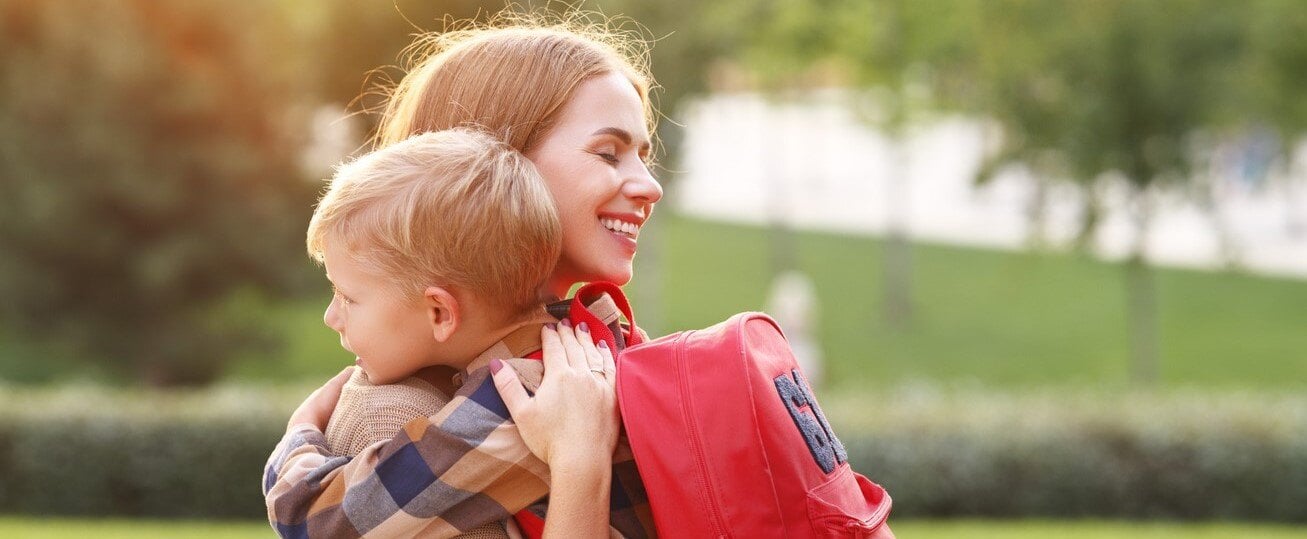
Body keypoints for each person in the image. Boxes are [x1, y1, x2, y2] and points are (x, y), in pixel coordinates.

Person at [263, 11, 660, 539]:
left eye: (641, 155)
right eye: (609, 153)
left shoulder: (529, 387)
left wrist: (301, 434)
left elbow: (316, 522)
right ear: (498, 161)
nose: (649, 186)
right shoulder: (596, 341)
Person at [296, 127, 618, 538]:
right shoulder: (573, 341)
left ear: (440, 313)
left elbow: (323, 525)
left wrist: (300, 437)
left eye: (348, 298)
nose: (331, 317)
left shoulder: (507, 403)